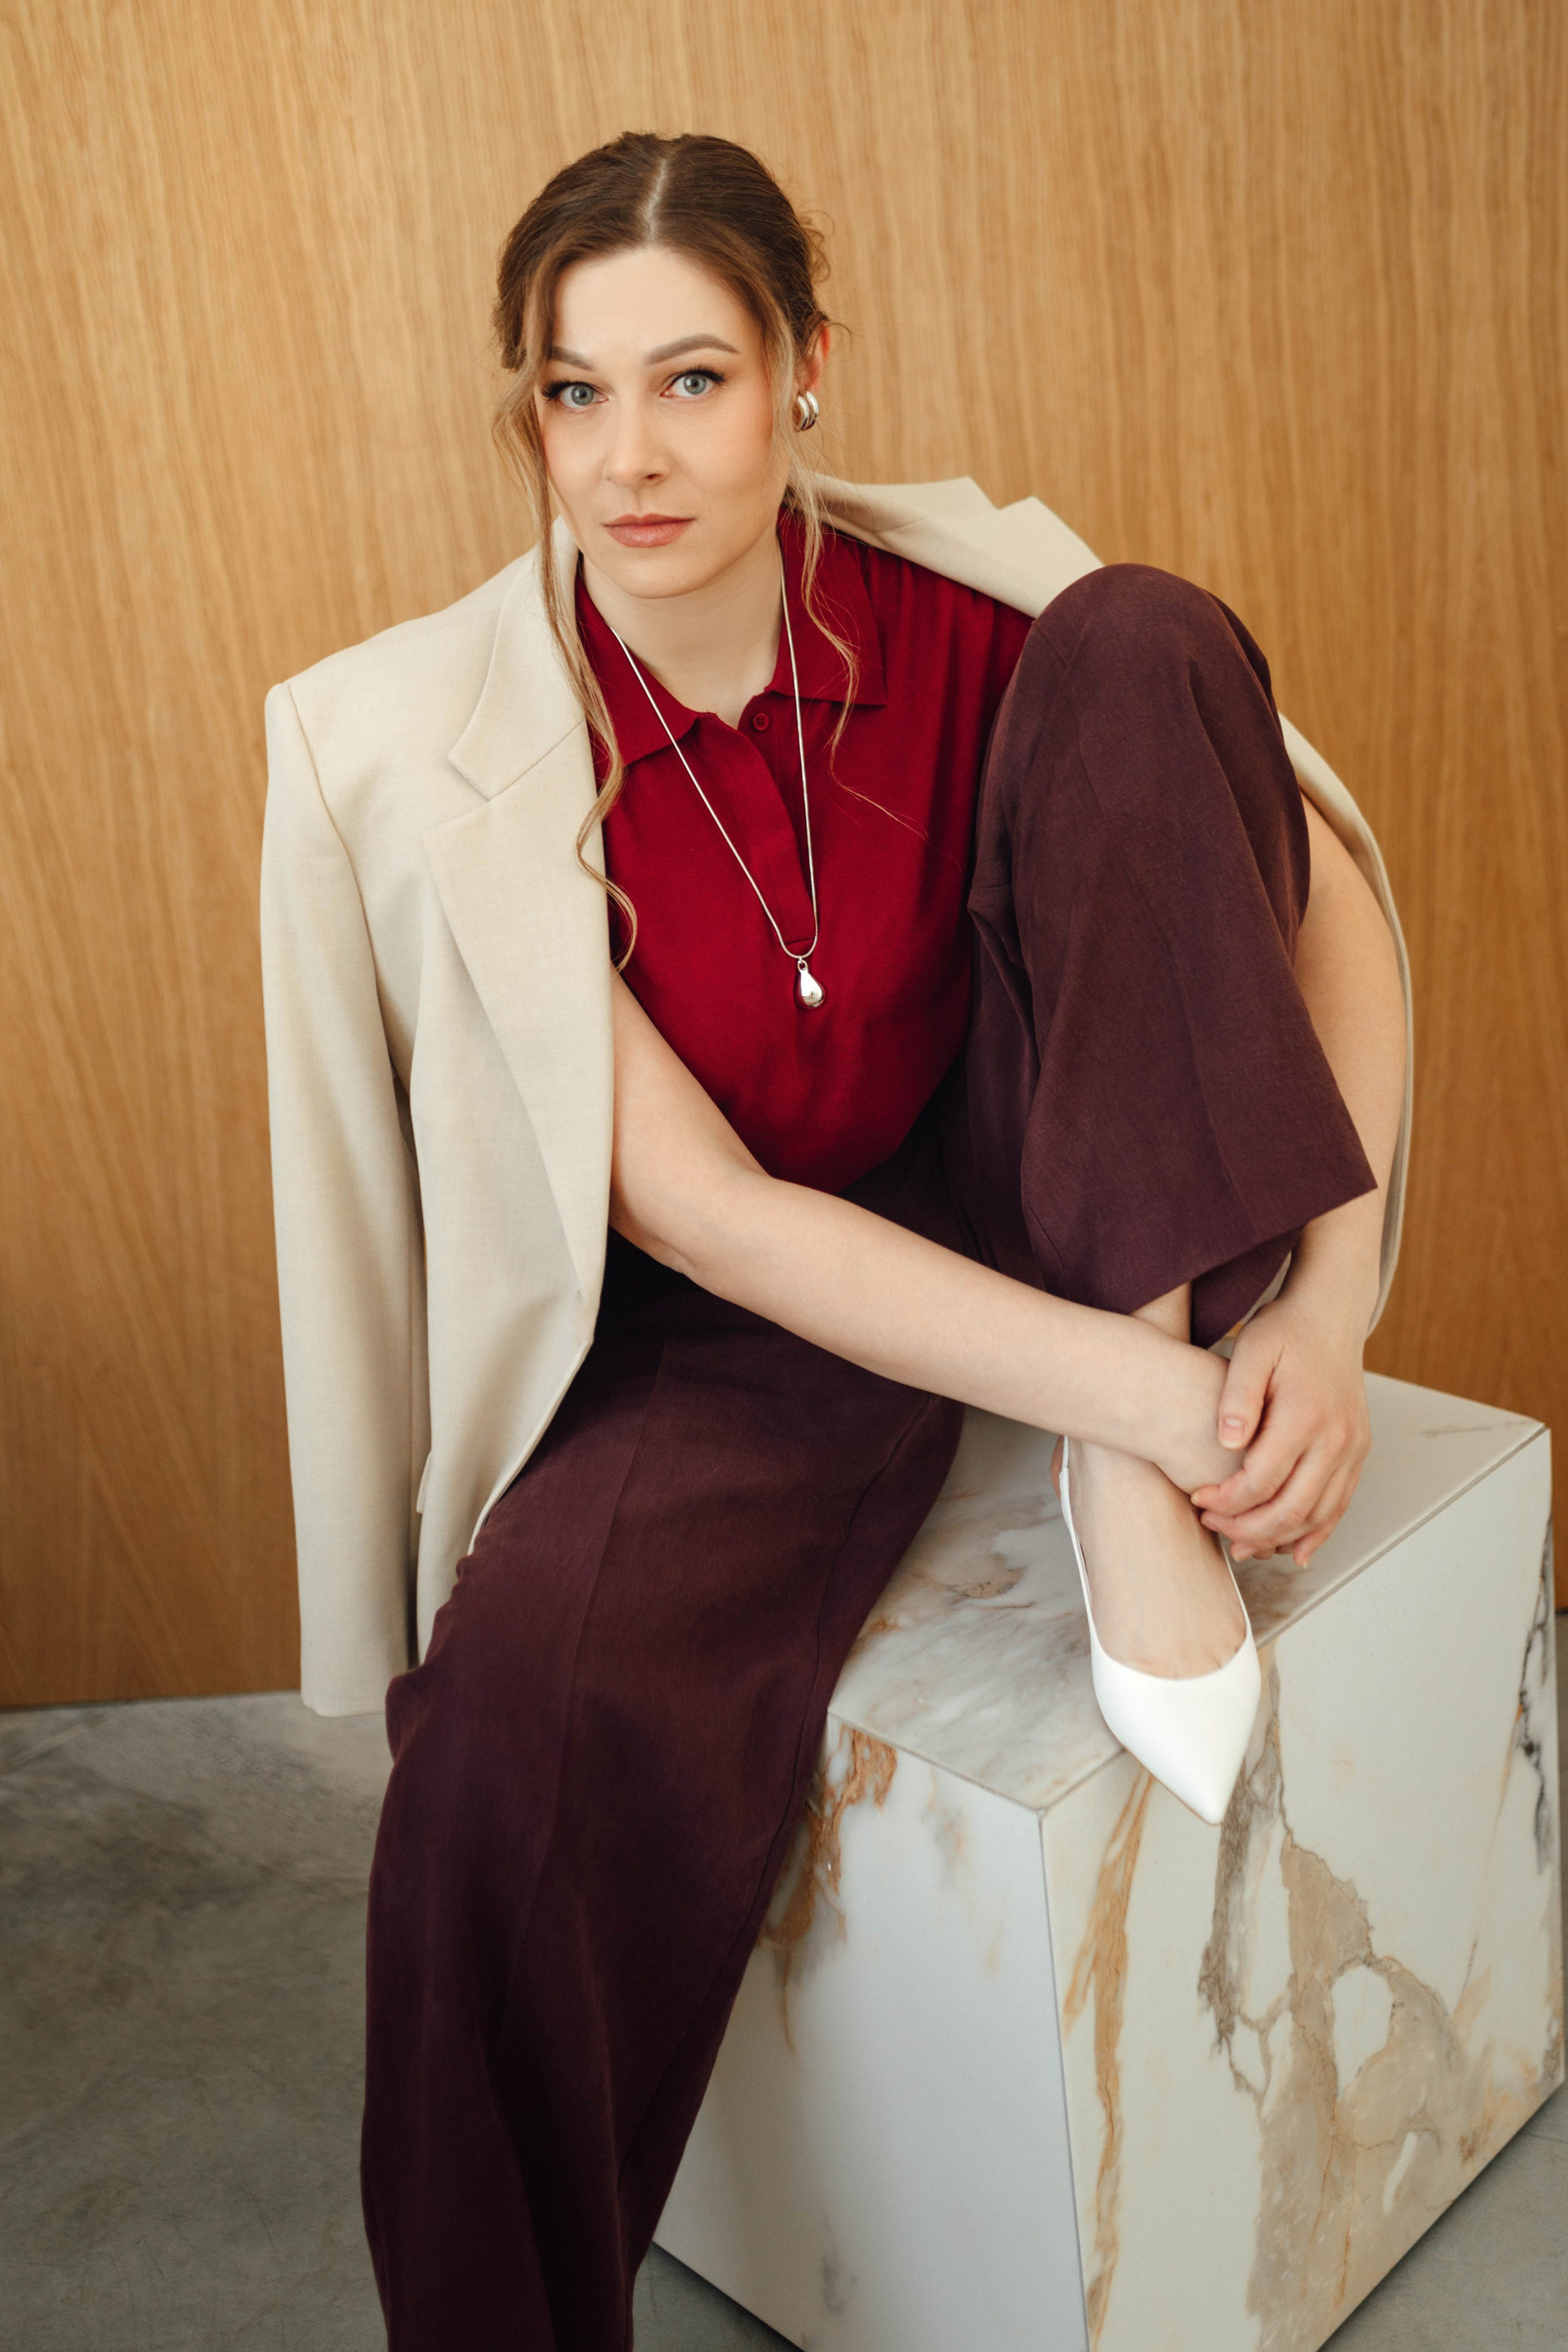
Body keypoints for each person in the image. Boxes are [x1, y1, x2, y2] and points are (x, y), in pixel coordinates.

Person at [260, 131, 1409, 2352]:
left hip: (1052, 1187)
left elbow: (1323, 891)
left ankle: (1114, 1471)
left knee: (1150, 630)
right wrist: (1171, 1408)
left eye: (690, 379)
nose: (628, 457)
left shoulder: (987, 626)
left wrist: (1317, 1308)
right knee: (498, 1743)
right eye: (574, 394)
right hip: (726, 1317)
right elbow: (710, 1214)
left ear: (804, 370)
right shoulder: (455, 756)